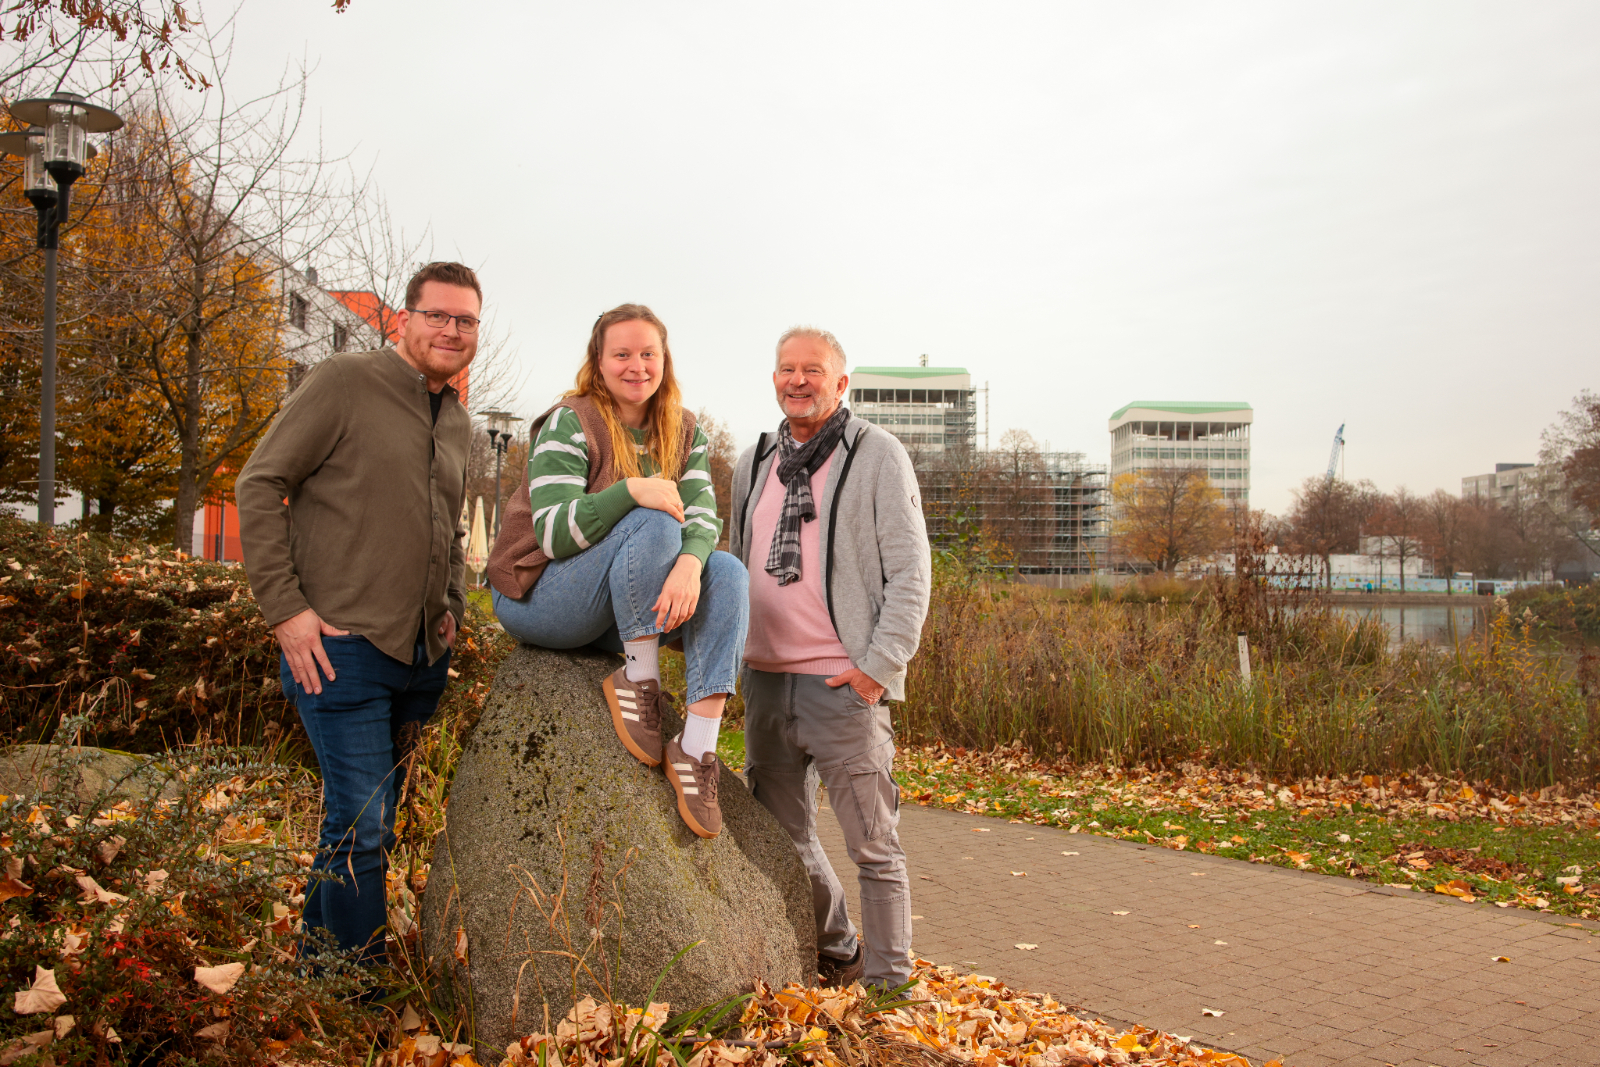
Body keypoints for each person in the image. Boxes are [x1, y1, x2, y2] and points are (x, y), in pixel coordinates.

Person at [236, 261, 480, 967]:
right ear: (403, 319)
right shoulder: (344, 382)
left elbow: (451, 525)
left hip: (418, 657)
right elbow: (260, 482)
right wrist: (286, 610)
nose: (451, 329)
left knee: (364, 824)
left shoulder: (458, 419)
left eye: (465, 320)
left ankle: (319, 967)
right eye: (437, 314)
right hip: (339, 646)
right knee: (362, 822)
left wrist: (453, 606)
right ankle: (356, 993)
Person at [488, 304, 747, 839]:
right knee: (652, 515)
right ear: (599, 362)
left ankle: (695, 751)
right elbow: (556, 533)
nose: (637, 366)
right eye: (622, 354)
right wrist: (631, 491)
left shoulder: (683, 429)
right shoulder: (571, 419)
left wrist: (691, 565)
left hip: (621, 600)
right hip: (538, 593)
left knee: (729, 573)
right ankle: (639, 677)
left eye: (648, 353)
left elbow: (700, 517)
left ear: (664, 359)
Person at [730, 326, 931, 991]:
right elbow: (734, 561)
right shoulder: (753, 459)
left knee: (873, 845)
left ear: (841, 381)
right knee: (783, 838)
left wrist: (878, 665)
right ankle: (841, 951)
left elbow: (909, 571)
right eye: (786, 368)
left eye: (812, 369)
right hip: (765, 681)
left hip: (842, 683)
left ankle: (891, 984)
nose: (798, 380)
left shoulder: (877, 454)